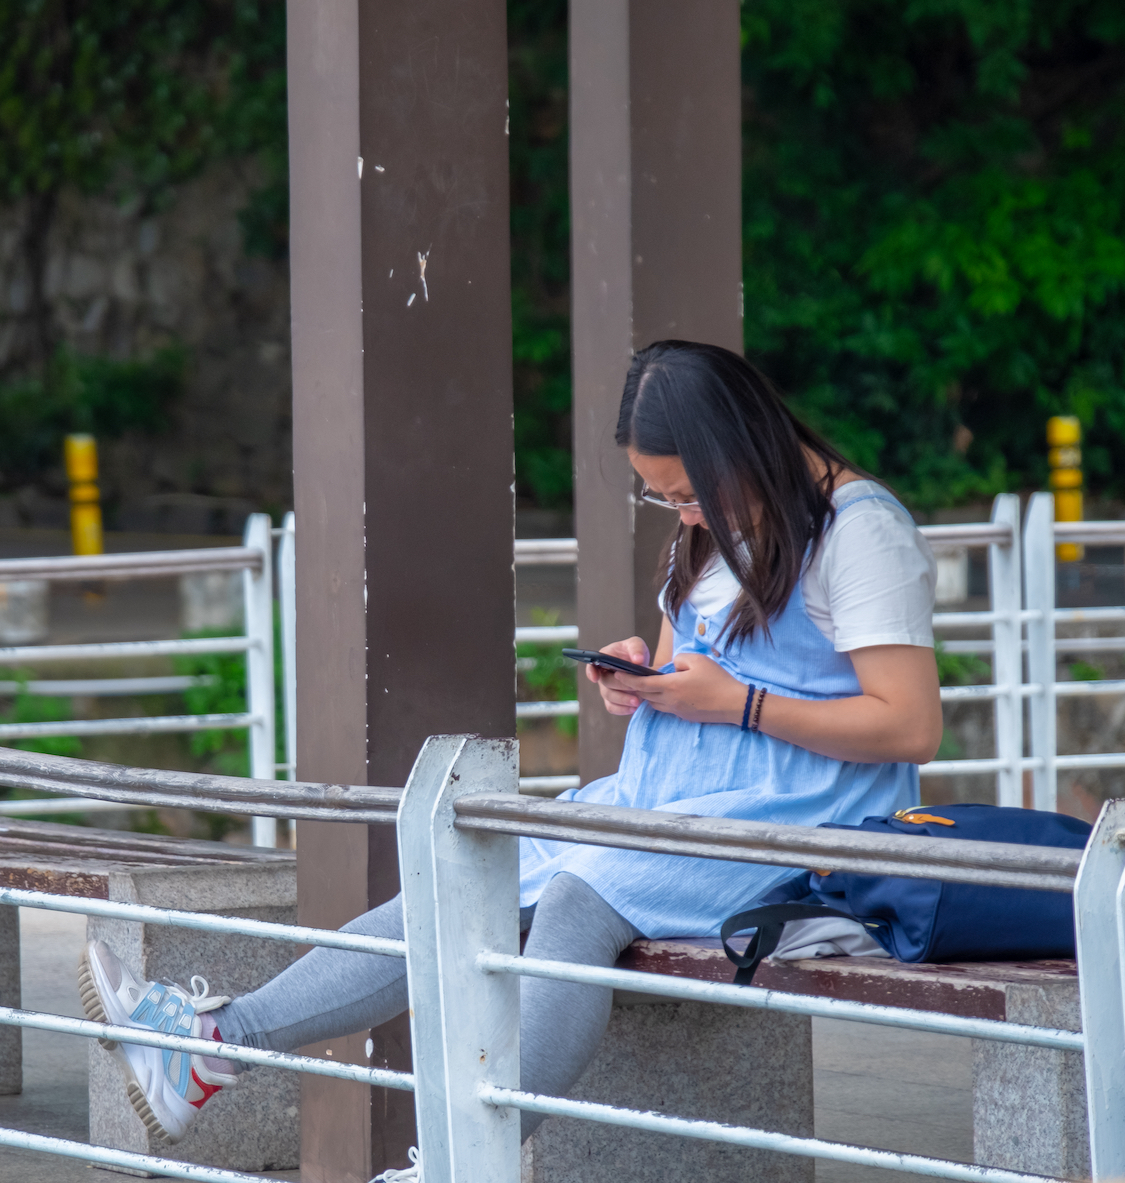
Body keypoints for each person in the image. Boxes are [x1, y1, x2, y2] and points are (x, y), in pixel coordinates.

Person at [79, 339, 943, 1157]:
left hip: (799, 827)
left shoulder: (859, 530)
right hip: (672, 801)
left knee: (576, 896)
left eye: (687, 494)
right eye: (664, 498)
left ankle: (469, 1160)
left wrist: (738, 703)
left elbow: (909, 725)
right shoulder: (718, 526)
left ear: (742, 447)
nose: (681, 513)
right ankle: (212, 1046)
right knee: (466, 872)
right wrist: (644, 678)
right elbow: (703, 673)